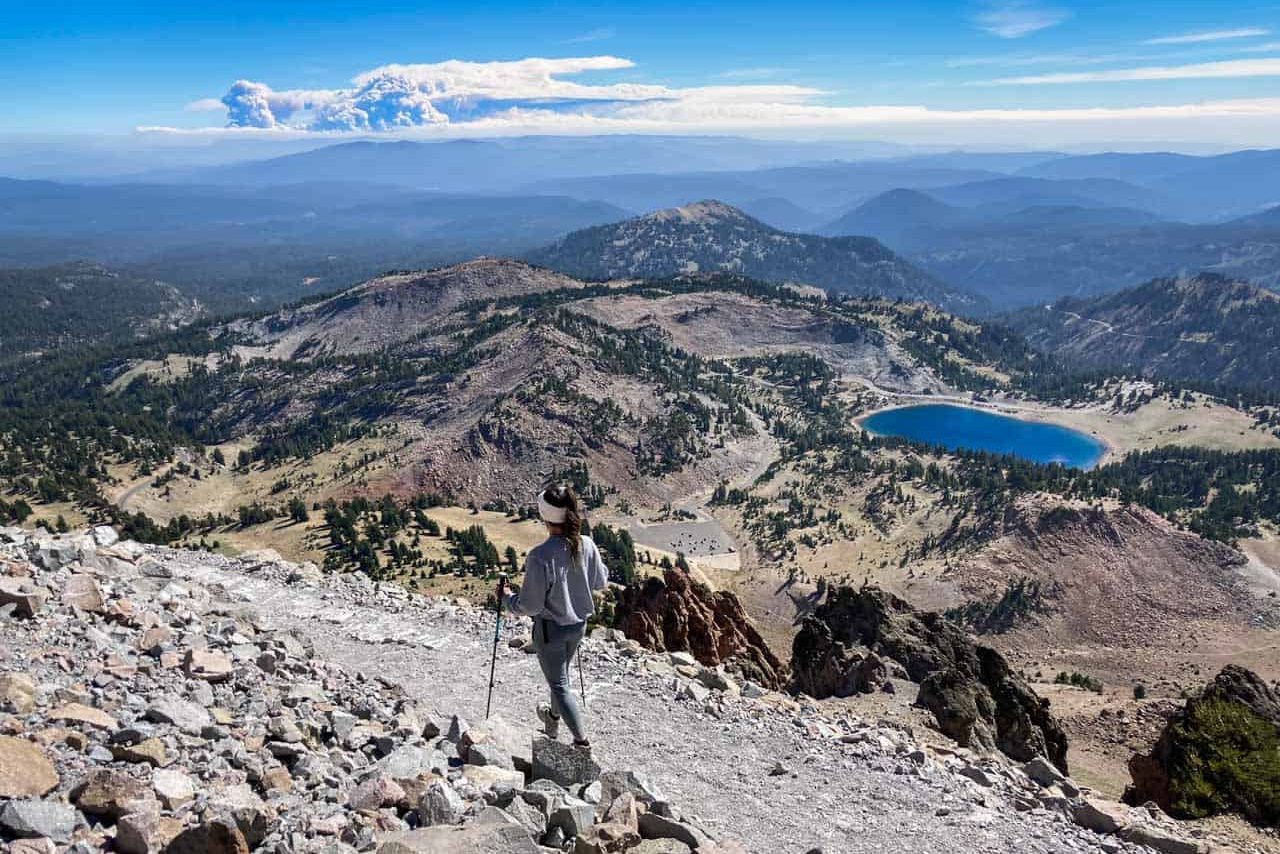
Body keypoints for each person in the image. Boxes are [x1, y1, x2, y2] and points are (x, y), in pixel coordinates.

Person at [503, 484, 609, 749]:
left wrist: (506, 598)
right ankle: (551, 719)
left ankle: (581, 743)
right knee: (560, 678)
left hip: (551, 631)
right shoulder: (586, 544)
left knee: (560, 684)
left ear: (545, 517)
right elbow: (600, 582)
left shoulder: (540, 556)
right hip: (578, 626)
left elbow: (530, 606)